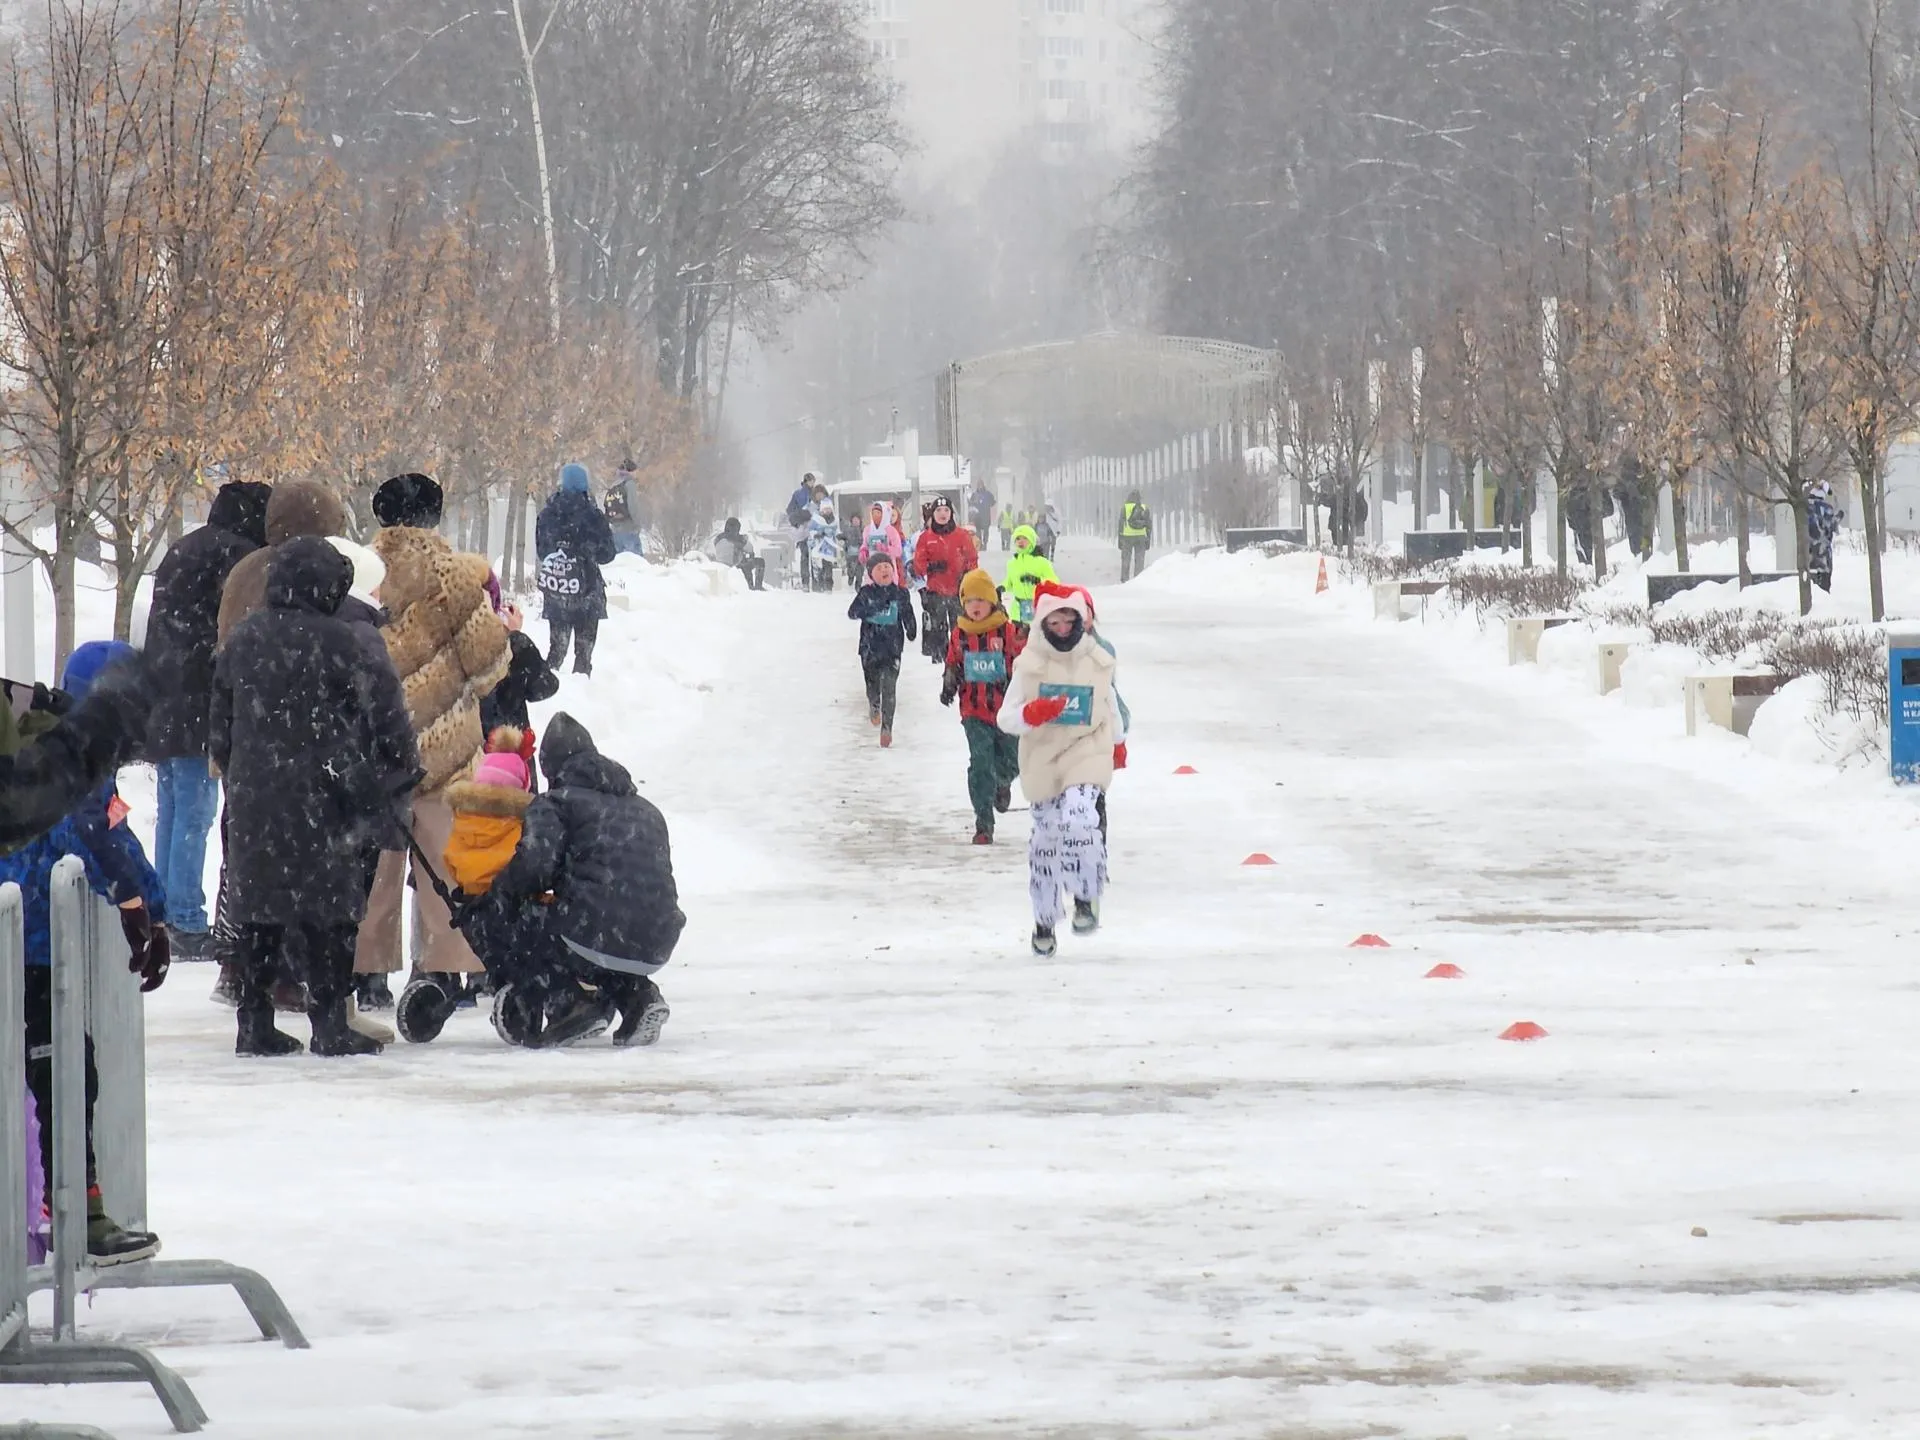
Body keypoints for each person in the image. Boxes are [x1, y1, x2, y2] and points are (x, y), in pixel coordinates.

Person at [212, 539, 420, 1057]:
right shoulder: (346, 642)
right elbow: (387, 719)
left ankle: (254, 1021)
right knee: (329, 914)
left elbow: (220, 728)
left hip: (256, 799)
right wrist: (392, 775)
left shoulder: (242, 639)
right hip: (325, 802)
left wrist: (245, 772)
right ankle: (330, 1022)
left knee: (258, 909)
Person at [0, 641, 171, 1264]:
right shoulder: (71, 772)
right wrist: (145, 909)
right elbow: (109, 845)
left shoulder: (39, 750)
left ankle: (66, 1206)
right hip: (35, 954)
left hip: (32, 951)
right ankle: (78, 1212)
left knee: (63, 1074)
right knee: (64, 1077)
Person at [356, 472, 512, 1008]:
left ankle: (368, 970)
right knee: (444, 858)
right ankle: (444, 969)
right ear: (434, 516)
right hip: (445, 743)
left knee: (378, 858)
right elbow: (489, 666)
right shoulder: (460, 575)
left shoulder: (361, 574)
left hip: (376, 739)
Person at [489, 714, 683, 1049]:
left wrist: (500, 891)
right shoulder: (646, 809)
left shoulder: (557, 803)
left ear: (550, 767)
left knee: (522, 920)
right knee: (605, 926)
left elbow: (534, 867)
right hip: (658, 935)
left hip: (596, 928)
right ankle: (640, 997)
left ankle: (569, 1003)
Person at [143, 480, 271, 958]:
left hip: (162, 696)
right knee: (196, 812)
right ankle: (186, 919)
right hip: (200, 700)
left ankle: (161, 910)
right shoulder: (238, 557)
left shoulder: (183, 548)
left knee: (173, 808)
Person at [997, 583, 1127, 956]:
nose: (1063, 625)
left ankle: (1086, 895)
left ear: (1080, 621)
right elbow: (1006, 718)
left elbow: (1112, 706)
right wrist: (1030, 714)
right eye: (1055, 619)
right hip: (1042, 758)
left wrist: (1118, 742)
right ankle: (1044, 919)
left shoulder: (1099, 660)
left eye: (1070, 618)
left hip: (1087, 749)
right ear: (1043, 622)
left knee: (1082, 816)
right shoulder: (1028, 666)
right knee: (1046, 842)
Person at [941, 569, 1024, 846]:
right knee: (980, 764)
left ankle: (1002, 782)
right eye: (970, 601)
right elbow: (953, 661)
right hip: (974, 711)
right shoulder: (960, 634)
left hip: (1006, 710)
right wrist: (949, 683)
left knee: (1013, 761)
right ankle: (983, 822)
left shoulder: (1006, 630)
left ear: (992, 601)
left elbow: (1021, 660)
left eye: (981, 600)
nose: (975, 606)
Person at [536, 463, 618, 675]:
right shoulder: (593, 516)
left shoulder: (548, 514)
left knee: (556, 652)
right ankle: (581, 694)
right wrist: (586, 553)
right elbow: (608, 554)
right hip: (587, 594)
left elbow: (543, 553)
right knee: (583, 655)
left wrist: (561, 552)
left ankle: (549, 693)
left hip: (558, 591)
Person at [848, 553, 917, 748]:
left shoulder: (900, 593)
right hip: (869, 648)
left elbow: (908, 614)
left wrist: (911, 629)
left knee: (889, 688)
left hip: (892, 648)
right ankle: (874, 705)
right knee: (873, 684)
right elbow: (852, 613)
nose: (885, 570)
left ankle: (887, 727)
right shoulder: (866, 593)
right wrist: (871, 608)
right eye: (879, 568)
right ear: (871, 574)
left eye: (887, 566)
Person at [914, 494, 978, 666]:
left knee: (959, 627)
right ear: (933, 514)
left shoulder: (962, 536)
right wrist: (931, 567)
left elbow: (972, 559)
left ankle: (959, 657)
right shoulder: (926, 538)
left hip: (959, 591)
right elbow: (918, 566)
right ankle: (940, 658)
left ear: (951, 513)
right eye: (939, 510)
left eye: (946, 510)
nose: (943, 514)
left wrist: (967, 574)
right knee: (938, 628)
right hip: (936, 591)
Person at [1003, 524, 1059, 627]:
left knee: (1035, 640)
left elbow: (1054, 583)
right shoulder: (1012, 563)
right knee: (1017, 640)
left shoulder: (1042, 562)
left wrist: (1037, 580)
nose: (1021, 541)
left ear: (1032, 540)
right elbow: (1010, 582)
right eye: (1018, 538)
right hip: (1017, 611)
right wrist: (1001, 588)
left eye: (1025, 538)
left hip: (1037, 608)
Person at [605, 459, 647, 556]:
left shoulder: (614, 485)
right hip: (629, 529)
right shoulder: (630, 484)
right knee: (636, 563)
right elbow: (633, 506)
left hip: (615, 529)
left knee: (620, 563)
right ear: (631, 471)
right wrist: (637, 524)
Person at [713, 517, 766, 591]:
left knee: (743, 561)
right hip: (734, 567)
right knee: (759, 562)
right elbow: (750, 549)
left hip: (720, 566)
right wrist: (745, 539)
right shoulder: (738, 539)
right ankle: (756, 586)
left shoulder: (718, 538)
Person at [1808, 479, 1842, 593]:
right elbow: (1831, 525)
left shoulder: (1804, 507)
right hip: (1823, 551)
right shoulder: (1826, 508)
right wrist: (1838, 517)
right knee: (1823, 583)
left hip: (1806, 551)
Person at [859, 501, 905, 573]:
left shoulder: (891, 530)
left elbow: (898, 551)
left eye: (878, 513)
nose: (875, 516)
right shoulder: (867, 530)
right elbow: (865, 544)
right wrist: (863, 552)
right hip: (872, 570)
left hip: (888, 571)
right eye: (873, 513)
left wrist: (886, 548)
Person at [1118, 489, 1153, 583]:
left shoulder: (1125, 508)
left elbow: (1121, 524)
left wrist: (1120, 540)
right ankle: (1138, 580)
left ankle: (1125, 580)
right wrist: (1148, 539)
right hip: (1141, 538)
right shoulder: (1144, 507)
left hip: (1127, 538)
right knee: (1140, 561)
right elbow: (1149, 524)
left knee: (1126, 560)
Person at [808, 501, 841, 593]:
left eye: (829, 509)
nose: (827, 511)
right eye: (825, 509)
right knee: (819, 566)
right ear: (822, 510)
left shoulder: (834, 520)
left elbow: (837, 531)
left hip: (829, 547)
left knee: (828, 566)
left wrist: (839, 536)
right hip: (819, 546)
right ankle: (820, 584)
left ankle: (828, 585)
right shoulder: (816, 519)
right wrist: (816, 534)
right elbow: (811, 530)